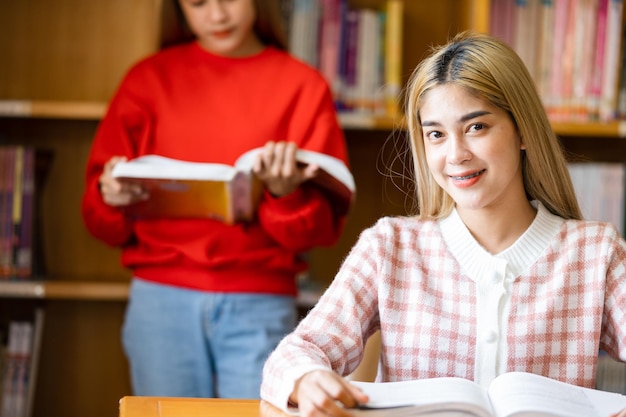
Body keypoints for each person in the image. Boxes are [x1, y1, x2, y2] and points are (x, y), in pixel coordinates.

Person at [260, 31, 626, 417]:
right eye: (436, 134)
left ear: (522, 130)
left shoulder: (596, 252)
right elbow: (294, 355)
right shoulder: (390, 246)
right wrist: (306, 379)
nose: (456, 155)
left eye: (476, 128)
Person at [81, 0, 350, 399]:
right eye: (199, 3)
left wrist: (284, 193)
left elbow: (320, 230)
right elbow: (98, 220)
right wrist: (112, 195)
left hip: (259, 301)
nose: (217, 15)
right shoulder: (147, 79)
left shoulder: (303, 85)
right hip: (160, 301)